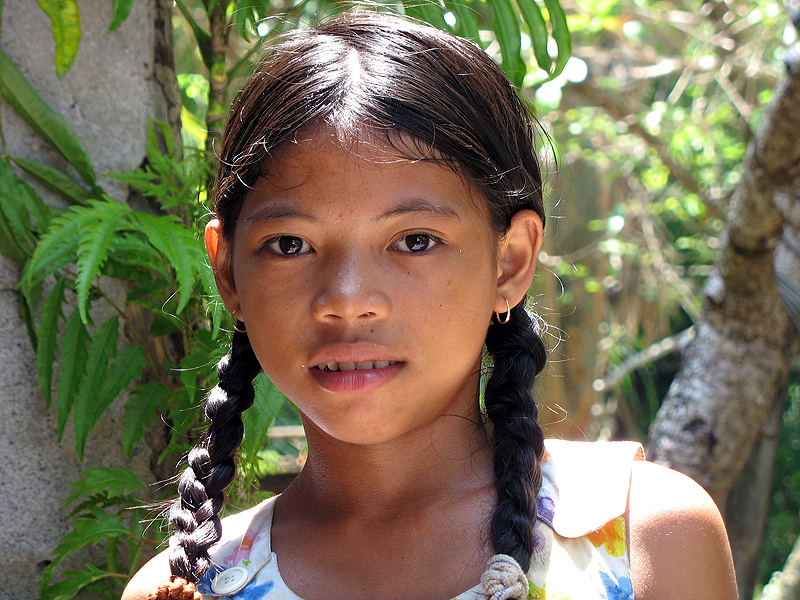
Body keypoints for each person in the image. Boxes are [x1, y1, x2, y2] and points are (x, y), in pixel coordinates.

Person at [122, 12, 737, 600]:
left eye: (416, 241)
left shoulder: (638, 539)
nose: (347, 299)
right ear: (228, 270)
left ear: (511, 262)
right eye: (290, 245)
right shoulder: (188, 587)